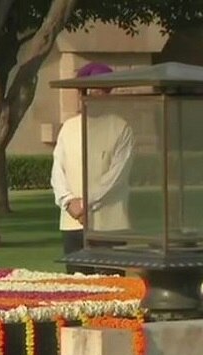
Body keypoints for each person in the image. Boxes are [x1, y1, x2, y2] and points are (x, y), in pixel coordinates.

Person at [50, 62, 134, 275]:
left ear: (108, 92)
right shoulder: (68, 127)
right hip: (72, 222)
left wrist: (85, 204)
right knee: (78, 289)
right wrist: (68, 201)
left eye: (100, 90)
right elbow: (57, 171)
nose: (93, 96)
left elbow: (116, 176)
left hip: (108, 223)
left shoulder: (121, 127)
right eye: (87, 91)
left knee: (111, 286)